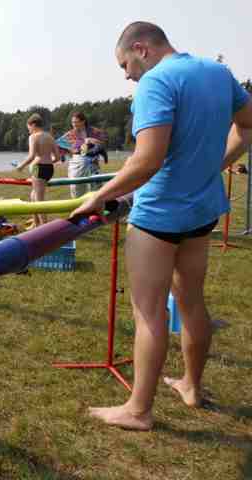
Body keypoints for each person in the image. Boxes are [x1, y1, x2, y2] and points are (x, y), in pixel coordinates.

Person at [70, 21, 252, 431]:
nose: (127, 75)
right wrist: (214, 165)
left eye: (125, 64)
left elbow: (147, 160)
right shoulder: (219, 74)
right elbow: (248, 125)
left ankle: (138, 410)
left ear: (141, 48)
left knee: (149, 313)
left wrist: (97, 197)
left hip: (159, 216)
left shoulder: (156, 83)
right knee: (191, 302)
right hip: (201, 213)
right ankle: (191, 385)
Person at [16, 113, 60, 228]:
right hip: (49, 169)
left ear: (33, 125)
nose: (29, 131)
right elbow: (57, 158)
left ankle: (44, 228)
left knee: (39, 199)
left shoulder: (33, 137)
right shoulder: (50, 137)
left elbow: (31, 156)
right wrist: (48, 162)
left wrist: (21, 166)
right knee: (33, 195)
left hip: (38, 168)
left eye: (29, 128)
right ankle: (36, 222)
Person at [61, 112, 108, 197]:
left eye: (76, 122)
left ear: (83, 121)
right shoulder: (69, 134)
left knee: (96, 190)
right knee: (76, 189)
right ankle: (79, 208)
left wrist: (92, 140)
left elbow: (103, 143)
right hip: (76, 165)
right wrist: (63, 154)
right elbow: (59, 146)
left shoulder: (94, 131)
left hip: (93, 164)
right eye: (72, 122)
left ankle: (96, 208)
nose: (74, 124)